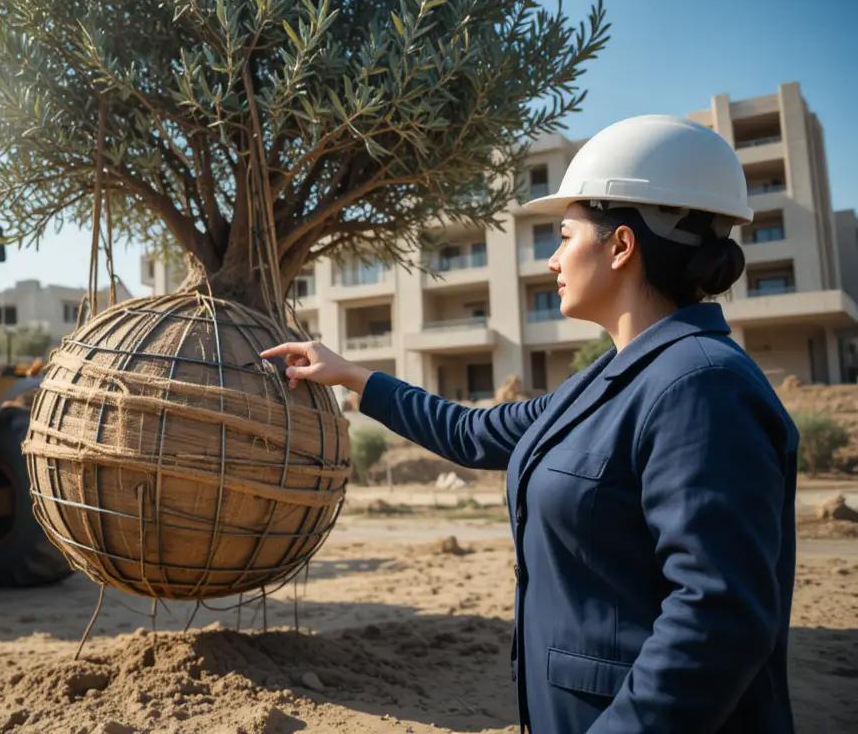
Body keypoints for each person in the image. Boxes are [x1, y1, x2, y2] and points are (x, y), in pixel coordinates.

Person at [261, 115, 798, 732]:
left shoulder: (703, 386)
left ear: (622, 246)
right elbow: (472, 434)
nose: (551, 261)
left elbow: (717, 620)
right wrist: (354, 377)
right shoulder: (609, 380)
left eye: (564, 236)